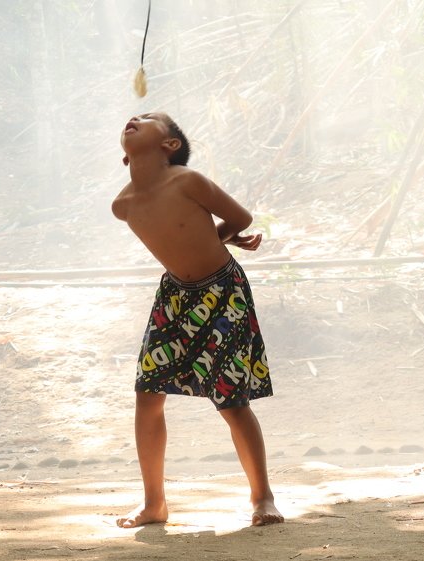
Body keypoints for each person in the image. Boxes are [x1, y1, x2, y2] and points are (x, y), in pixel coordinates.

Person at [111, 112, 283, 527]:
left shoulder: (187, 180)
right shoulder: (123, 205)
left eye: (151, 119)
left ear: (169, 146)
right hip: (173, 299)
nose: (136, 116)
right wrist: (213, 237)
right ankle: (155, 503)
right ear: (125, 156)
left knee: (230, 399)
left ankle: (263, 497)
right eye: (135, 117)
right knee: (147, 396)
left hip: (222, 292)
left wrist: (219, 238)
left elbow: (240, 219)